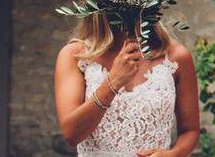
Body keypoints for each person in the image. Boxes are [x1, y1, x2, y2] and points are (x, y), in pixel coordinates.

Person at [55, 12, 199, 157]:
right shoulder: (75, 56)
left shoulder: (176, 56)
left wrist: (172, 154)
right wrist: (112, 83)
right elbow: (72, 135)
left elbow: (190, 131)